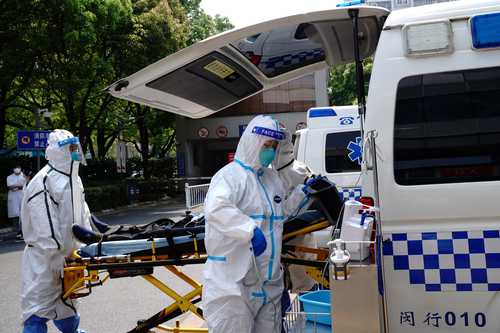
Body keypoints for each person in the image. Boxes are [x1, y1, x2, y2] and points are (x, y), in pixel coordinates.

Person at [202, 115, 313, 333]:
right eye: (266, 145)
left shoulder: (270, 178)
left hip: (269, 282)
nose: (270, 150)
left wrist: (304, 193)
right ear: (252, 142)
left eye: (273, 146)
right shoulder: (230, 177)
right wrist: (249, 229)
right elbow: (216, 208)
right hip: (234, 284)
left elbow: (280, 212)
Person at [20, 129, 91, 333]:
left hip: (70, 256)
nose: (75, 151)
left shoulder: (74, 180)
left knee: (68, 303)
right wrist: (54, 254)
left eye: (75, 147)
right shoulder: (43, 181)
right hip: (44, 259)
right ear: (57, 151)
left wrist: (89, 243)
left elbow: (82, 213)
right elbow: (45, 225)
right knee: (38, 305)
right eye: (70, 148)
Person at [7, 165, 26, 238]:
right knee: (16, 215)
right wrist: (19, 186)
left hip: (22, 196)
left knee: (23, 214)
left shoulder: (24, 176)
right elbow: (9, 187)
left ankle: (23, 231)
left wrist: (15, 186)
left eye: (18, 167)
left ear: (20, 168)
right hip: (14, 198)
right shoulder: (9, 177)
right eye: (15, 168)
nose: (16, 169)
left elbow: (25, 185)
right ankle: (18, 231)